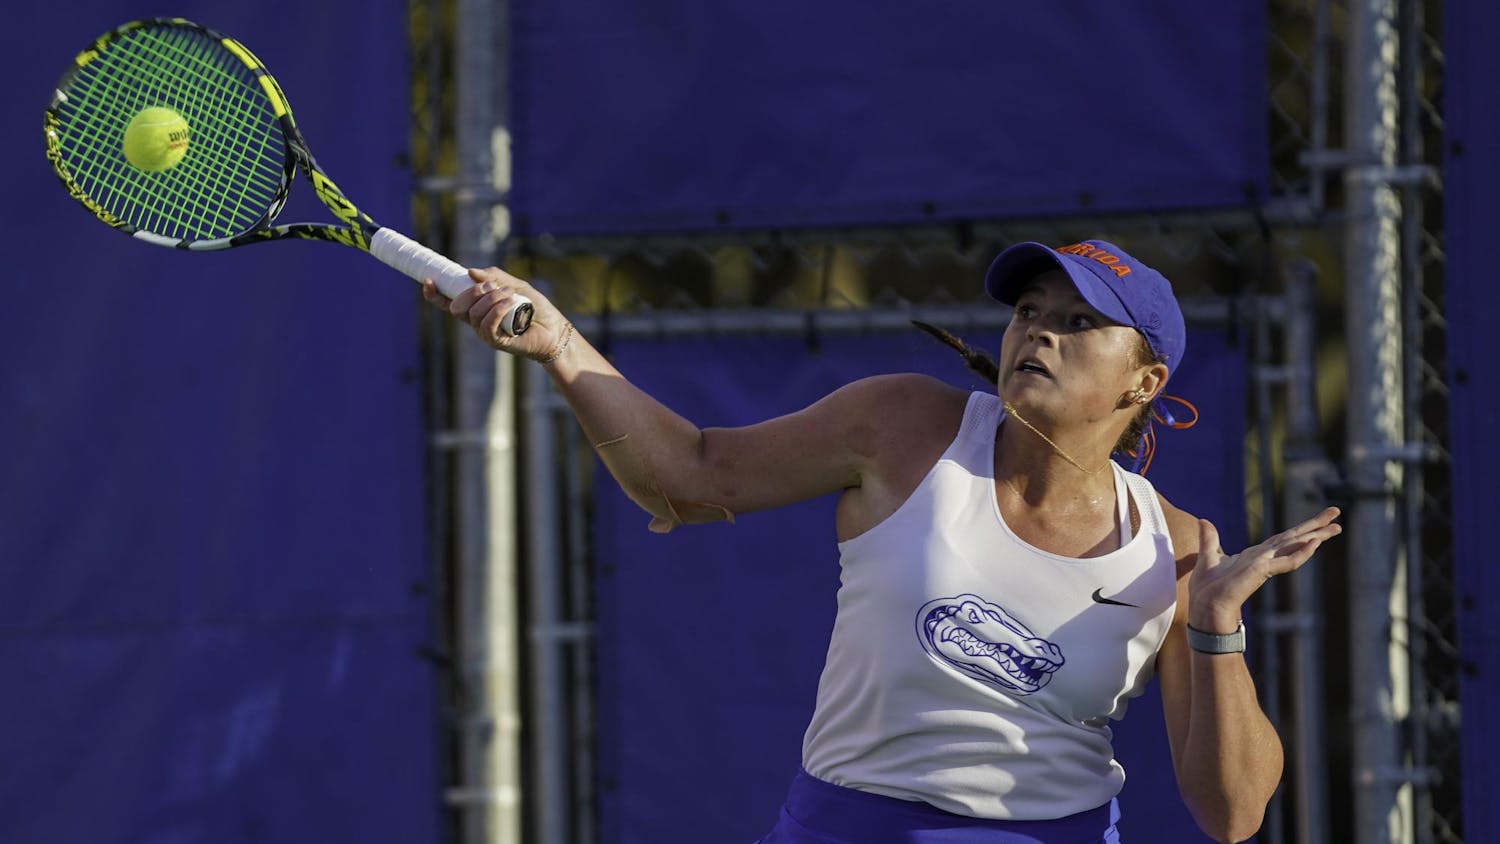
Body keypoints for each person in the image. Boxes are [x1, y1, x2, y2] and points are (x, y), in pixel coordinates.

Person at [422, 239, 1341, 844]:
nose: (1039, 334)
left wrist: (1215, 624)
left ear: (1144, 383)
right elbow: (688, 476)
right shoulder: (903, 424)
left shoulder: (1176, 544)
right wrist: (560, 344)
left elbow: (1232, 813)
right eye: (1030, 311)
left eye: (1079, 323)